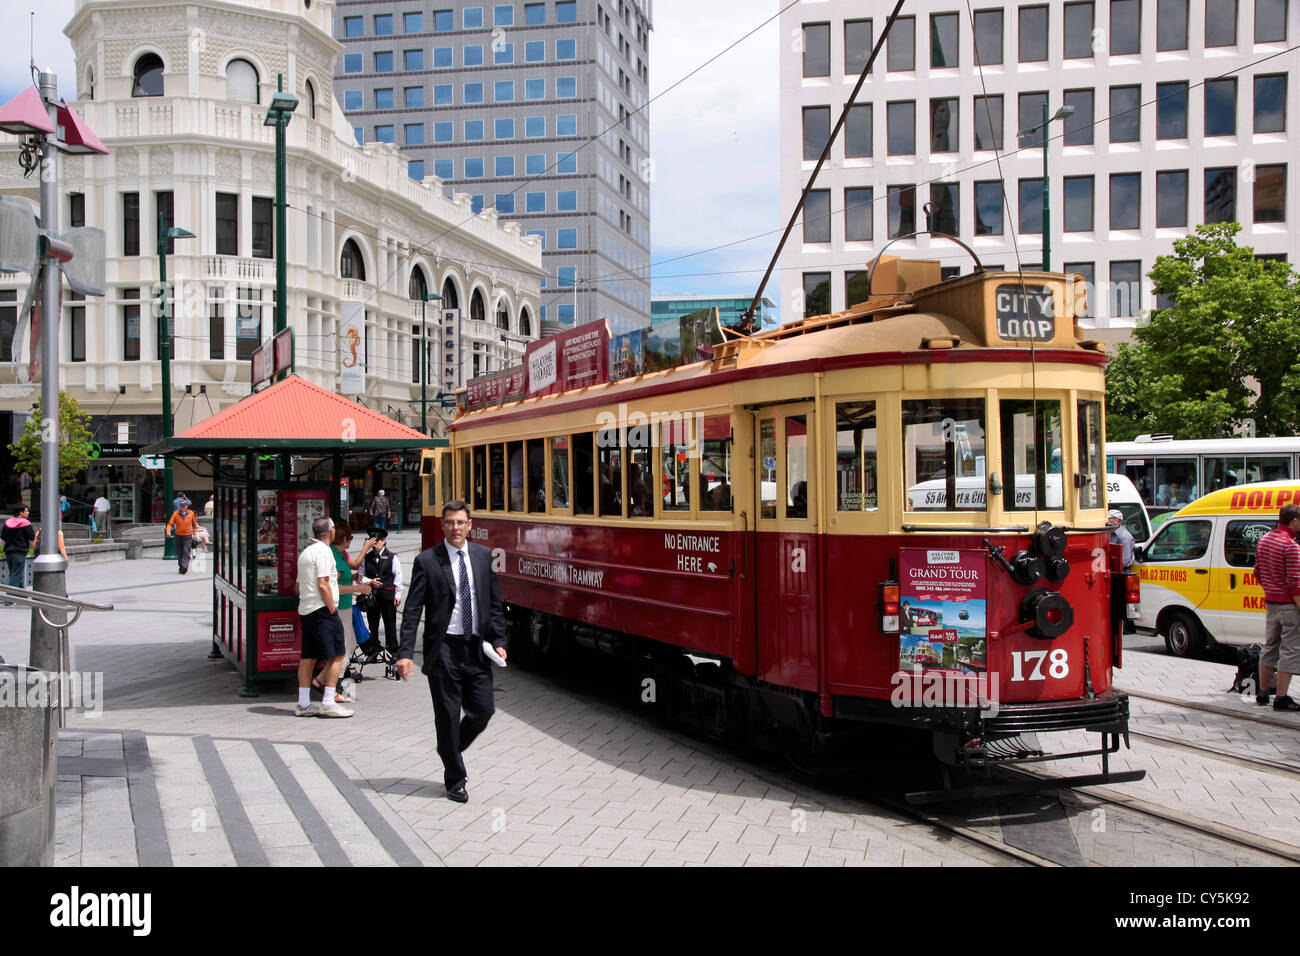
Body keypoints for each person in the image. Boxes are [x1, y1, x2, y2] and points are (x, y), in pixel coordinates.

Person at [396, 500, 507, 803]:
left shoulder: (484, 558)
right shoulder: (428, 561)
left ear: (470, 525)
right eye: (450, 523)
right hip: (443, 649)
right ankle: (455, 779)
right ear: (443, 525)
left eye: (461, 522)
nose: (455, 528)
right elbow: (412, 610)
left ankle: (449, 746)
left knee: (483, 711)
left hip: (475, 648)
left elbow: (494, 605)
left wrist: (499, 641)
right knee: (447, 715)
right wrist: (405, 652)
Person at [295, 516, 353, 718]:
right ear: (330, 532)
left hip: (306, 609)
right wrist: (332, 610)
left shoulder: (306, 552)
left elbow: (298, 586)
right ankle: (328, 702)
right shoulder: (323, 551)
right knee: (338, 654)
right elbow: (323, 583)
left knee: (308, 657)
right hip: (322, 610)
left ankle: (303, 704)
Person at [1255, 504, 1300, 711]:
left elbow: (1257, 572)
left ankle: (1263, 693)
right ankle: (1281, 697)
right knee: (1289, 650)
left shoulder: (1264, 539)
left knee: (1270, 645)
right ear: (1294, 521)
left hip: (1271, 603)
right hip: (1289, 605)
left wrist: (1269, 589)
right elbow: (1295, 583)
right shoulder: (1291, 546)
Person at [327, 522, 379, 701]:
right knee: (346, 646)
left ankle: (330, 684)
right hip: (340, 608)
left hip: (345, 608)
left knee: (348, 644)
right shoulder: (336, 558)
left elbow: (355, 565)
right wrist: (359, 588)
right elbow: (334, 588)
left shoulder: (339, 553)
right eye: (350, 538)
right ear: (344, 539)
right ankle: (335, 687)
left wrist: (356, 577)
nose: (351, 541)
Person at [363, 527, 404, 653]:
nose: (374, 545)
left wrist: (398, 595)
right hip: (372, 597)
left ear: (384, 541)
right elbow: (360, 576)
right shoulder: (366, 558)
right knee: (373, 624)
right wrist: (369, 581)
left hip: (388, 595)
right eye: (372, 542)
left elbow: (398, 576)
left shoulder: (392, 557)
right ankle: (374, 648)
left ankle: (392, 649)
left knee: (390, 623)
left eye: (377, 542)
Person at [2, 504, 37, 588]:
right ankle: (11, 596)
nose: (28, 513)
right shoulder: (25, 523)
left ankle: (21, 595)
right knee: (16, 574)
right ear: (21, 512)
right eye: (26, 511)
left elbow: (3, 536)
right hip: (20, 551)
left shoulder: (7, 522)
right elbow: (32, 536)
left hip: (8, 551)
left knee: (15, 573)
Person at [165, 498, 200, 574]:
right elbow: (170, 523)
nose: (183, 507)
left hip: (187, 536)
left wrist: (194, 534)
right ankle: (181, 566)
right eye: (181, 506)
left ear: (187, 506)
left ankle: (184, 567)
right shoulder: (175, 514)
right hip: (178, 536)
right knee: (179, 552)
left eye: (184, 506)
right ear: (179, 506)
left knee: (186, 552)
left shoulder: (191, 513)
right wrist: (168, 531)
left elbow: (194, 525)